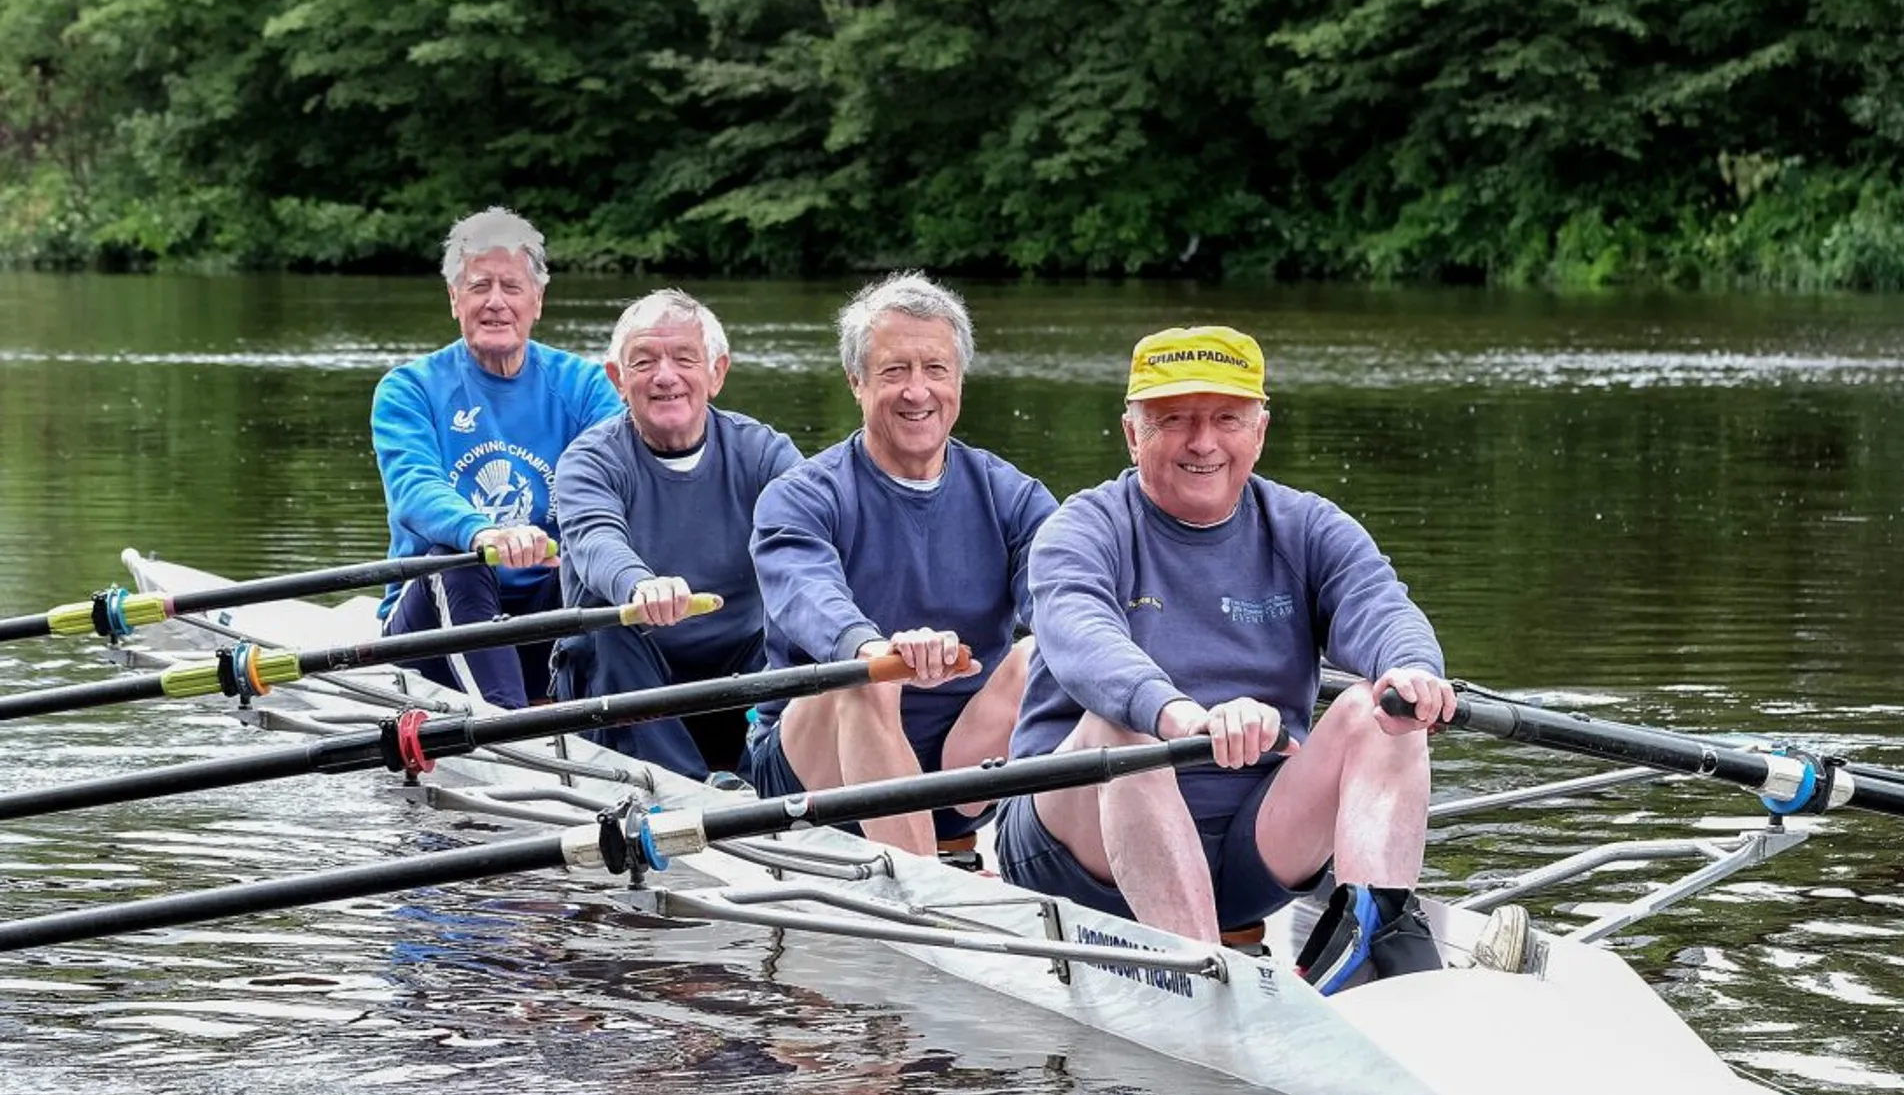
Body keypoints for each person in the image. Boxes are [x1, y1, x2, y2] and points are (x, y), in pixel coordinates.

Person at [998, 324, 1514, 991]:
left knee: (1380, 712)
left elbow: (1378, 603)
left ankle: (1376, 948)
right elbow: (1080, 635)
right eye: (1174, 419)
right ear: (1132, 434)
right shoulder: (1083, 528)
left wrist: (1411, 668)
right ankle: (1204, 979)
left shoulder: (1308, 526)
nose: (1203, 442)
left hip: (1251, 855)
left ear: (1260, 431)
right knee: (1122, 730)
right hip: (1071, 847)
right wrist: (1178, 716)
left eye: (1226, 419)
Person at [746, 271, 1057, 856]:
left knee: (1053, 648)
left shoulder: (1014, 497)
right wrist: (873, 647)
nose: (918, 391)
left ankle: (1044, 855)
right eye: (894, 371)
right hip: (816, 774)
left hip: (959, 770)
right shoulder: (800, 497)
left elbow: (1059, 590)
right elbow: (806, 592)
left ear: (958, 380)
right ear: (857, 381)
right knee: (868, 678)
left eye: (935, 369)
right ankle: (926, 890)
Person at [371, 206, 622, 708]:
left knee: (598, 563)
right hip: (429, 632)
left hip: (543, 613)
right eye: (479, 286)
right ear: (454, 299)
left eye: (511, 287)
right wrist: (485, 533)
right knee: (454, 561)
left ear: (537, 301)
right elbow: (414, 489)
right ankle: (507, 724)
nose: (496, 303)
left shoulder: (586, 387)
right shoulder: (408, 389)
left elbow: (616, 484)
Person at [551, 289, 802, 778]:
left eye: (684, 359)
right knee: (607, 629)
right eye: (644, 362)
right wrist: (640, 584)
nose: (665, 376)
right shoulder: (589, 461)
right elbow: (596, 540)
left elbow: (813, 538)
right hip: (626, 682)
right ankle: (681, 791)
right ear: (617, 380)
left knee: (801, 625)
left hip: (737, 685)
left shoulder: (765, 453)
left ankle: (762, 778)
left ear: (717, 372)